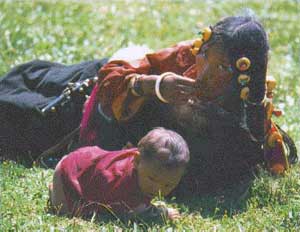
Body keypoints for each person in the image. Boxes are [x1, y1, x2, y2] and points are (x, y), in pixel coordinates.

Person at [79, 15, 296, 194]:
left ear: (245, 77)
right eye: (205, 56)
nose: (204, 74)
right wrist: (153, 85)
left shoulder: (247, 114)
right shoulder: (186, 56)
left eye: (221, 68)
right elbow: (109, 79)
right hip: (93, 102)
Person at [49, 127, 190, 220]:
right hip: (69, 170)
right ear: (137, 160)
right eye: (152, 179)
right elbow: (131, 213)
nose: (158, 189)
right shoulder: (123, 182)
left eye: (168, 185)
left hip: (89, 164)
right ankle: (56, 189)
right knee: (66, 212)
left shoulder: (144, 164)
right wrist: (161, 213)